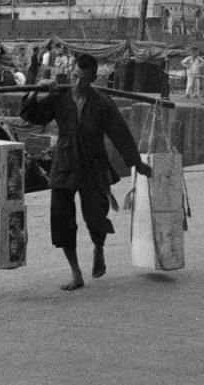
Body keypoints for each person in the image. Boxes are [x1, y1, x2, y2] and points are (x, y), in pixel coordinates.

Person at [19, 53, 153, 291]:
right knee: (62, 221)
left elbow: (120, 135)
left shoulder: (102, 103)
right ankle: (76, 273)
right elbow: (31, 115)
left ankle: (98, 247)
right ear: (72, 73)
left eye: (84, 79)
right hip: (64, 165)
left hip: (92, 165)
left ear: (92, 79)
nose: (78, 82)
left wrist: (137, 164)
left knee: (95, 216)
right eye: (75, 76)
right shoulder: (59, 97)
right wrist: (37, 91)